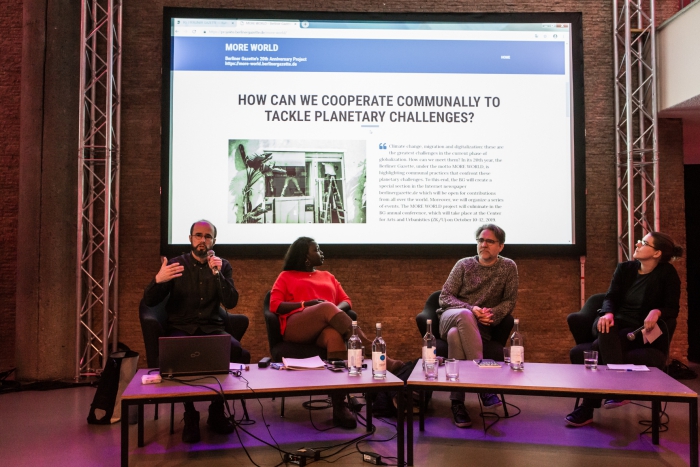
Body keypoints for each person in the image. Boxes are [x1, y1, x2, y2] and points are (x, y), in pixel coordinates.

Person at [269, 236, 403, 429]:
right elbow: (275, 305)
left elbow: (347, 301)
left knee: (334, 337)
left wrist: (334, 310)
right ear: (305, 256)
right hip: (296, 327)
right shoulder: (286, 276)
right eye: (316, 249)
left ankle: (340, 406)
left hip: (325, 330)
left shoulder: (328, 276)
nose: (321, 252)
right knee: (325, 308)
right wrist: (307, 304)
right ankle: (379, 357)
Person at [143, 219, 250, 443]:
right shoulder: (176, 264)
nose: (203, 240)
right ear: (190, 239)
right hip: (181, 328)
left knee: (236, 351)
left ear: (214, 241)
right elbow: (150, 301)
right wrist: (157, 280)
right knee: (177, 356)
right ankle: (190, 414)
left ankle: (216, 410)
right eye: (198, 235)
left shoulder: (222, 265)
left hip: (212, 329)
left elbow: (231, 302)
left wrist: (218, 274)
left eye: (208, 236)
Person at [565, 231, 683, 427]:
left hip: (638, 331)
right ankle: (619, 391)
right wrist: (608, 313)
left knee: (596, 348)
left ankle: (586, 409)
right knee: (605, 330)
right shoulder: (625, 268)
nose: (637, 244)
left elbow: (672, 308)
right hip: (611, 322)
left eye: (644, 242)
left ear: (656, 254)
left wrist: (657, 311)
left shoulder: (667, 275)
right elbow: (610, 297)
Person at [436, 224, 519, 428]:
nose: (483, 245)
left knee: (456, 336)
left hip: (478, 326)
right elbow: (444, 297)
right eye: (480, 240)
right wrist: (471, 308)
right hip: (450, 316)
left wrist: (491, 314)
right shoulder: (463, 265)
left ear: (501, 247)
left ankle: (457, 404)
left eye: (489, 241)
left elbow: (509, 301)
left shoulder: (508, 267)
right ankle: (483, 386)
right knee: (463, 316)